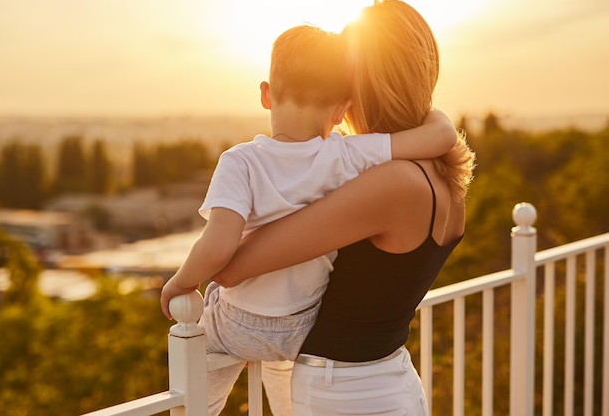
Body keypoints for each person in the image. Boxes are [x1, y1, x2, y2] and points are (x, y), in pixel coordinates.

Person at [160, 22, 457, 416]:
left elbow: (226, 262)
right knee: (280, 369)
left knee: (207, 332)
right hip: (314, 336)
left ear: (266, 94)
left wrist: (182, 282)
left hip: (339, 387)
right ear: (340, 110)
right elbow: (441, 137)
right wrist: (433, 112)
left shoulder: (242, 162)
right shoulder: (355, 159)